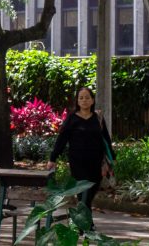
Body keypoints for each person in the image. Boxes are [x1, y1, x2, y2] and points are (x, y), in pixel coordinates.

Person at [47, 87, 114, 223]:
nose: (84, 100)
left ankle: (83, 224)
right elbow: (62, 139)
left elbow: (106, 139)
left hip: (96, 164)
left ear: (92, 100)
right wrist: (53, 158)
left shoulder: (98, 118)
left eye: (87, 97)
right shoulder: (72, 118)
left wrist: (112, 159)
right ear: (77, 101)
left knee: (89, 195)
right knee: (83, 195)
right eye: (81, 98)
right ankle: (87, 226)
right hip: (78, 164)